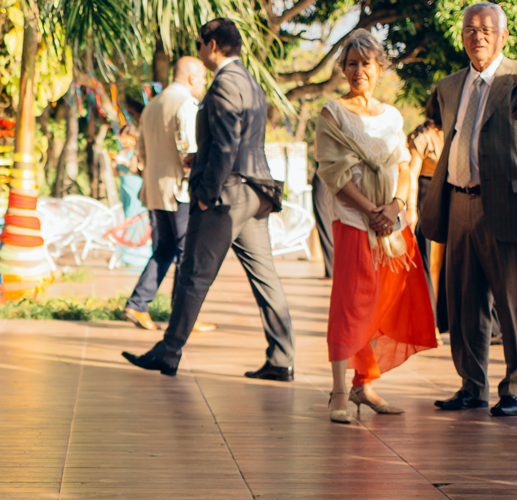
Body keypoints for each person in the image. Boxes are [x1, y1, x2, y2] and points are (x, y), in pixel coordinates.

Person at [122, 19, 294, 379]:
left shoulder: (225, 84)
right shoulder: (250, 82)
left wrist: (205, 192)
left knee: (193, 274)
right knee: (265, 278)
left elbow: (229, 144)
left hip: (227, 192)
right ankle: (281, 359)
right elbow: (236, 141)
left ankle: (168, 352)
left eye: (201, 44)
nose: (200, 51)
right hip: (254, 192)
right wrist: (198, 159)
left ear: (212, 44)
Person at [315, 30, 437, 424]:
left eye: (366, 63)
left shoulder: (393, 116)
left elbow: (403, 165)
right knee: (351, 300)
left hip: (390, 222)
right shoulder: (332, 113)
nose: (358, 70)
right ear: (343, 68)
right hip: (354, 220)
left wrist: (396, 206)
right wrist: (371, 210)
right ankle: (337, 391)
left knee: (386, 298)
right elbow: (334, 172)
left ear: (379, 68)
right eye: (351, 63)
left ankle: (363, 384)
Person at [424, 2, 517, 417]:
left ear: (503, 36)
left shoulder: (515, 79)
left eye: (486, 29)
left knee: (512, 303)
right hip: (458, 200)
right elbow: (438, 131)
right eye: (470, 29)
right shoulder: (448, 86)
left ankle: (514, 388)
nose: (477, 35)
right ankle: (471, 385)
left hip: (506, 205)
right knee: (463, 302)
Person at [122, 57, 215, 333]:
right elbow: (188, 151)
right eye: (202, 78)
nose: (204, 84)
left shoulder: (151, 106)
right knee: (186, 252)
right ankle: (183, 316)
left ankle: (138, 304)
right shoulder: (185, 104)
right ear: (191, 78)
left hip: (155, 190)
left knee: (165, 248)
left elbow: (140, 151)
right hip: (179, 192)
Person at [407, 120, 447, 333]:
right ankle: (430, 324)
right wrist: (411, 207)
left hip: (449, 195)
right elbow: (411, 173)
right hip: (426, 195)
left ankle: (444, 322)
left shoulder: (454, 129)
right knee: (429, 263)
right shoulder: (421, 136)